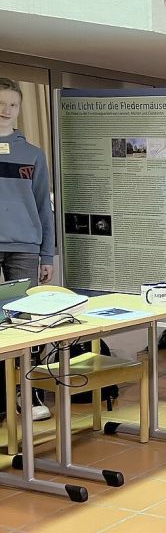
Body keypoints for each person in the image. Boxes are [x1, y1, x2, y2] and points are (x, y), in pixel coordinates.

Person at [0, 77, 55, 423]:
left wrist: (46, 254)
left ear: (19, 109)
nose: (5, 110)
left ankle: (28, 392)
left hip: (24, 248)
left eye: (12, 105)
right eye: (0, 103)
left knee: (25, 323)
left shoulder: (33, 154)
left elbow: (43, 206)